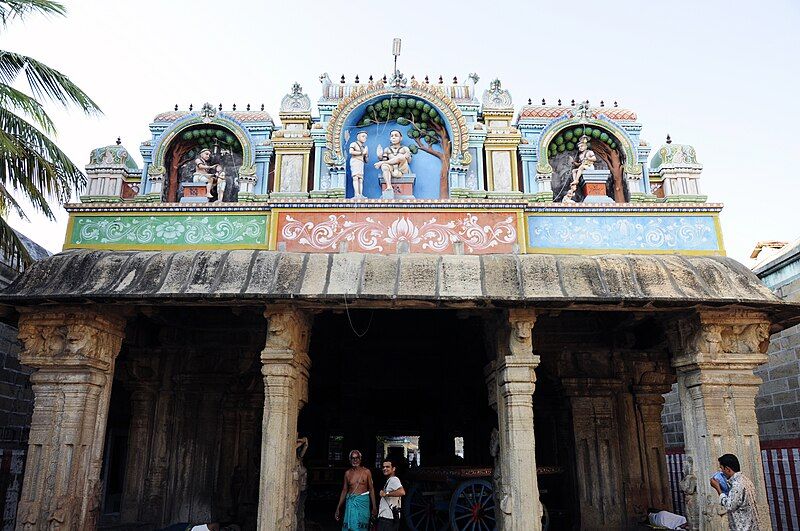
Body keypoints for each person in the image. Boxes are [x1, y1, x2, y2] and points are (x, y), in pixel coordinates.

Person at [710, 453, 761, 530]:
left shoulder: (737, 485)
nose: (721, 472)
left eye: (721, 468)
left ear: (727, 469)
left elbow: (729, 506)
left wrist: (718, 488)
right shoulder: (745, 480)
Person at [335, 449, 376, 530]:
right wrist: (338, 507)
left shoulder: (366, 472)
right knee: (350, 527)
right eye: (353, 458)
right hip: (351, 503)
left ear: (360, 459)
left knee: (362, 526)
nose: (355, 460)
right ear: (350, 460)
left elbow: (371, 489)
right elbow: (344, 490)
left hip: (363, 503)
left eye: (357, 458)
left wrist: (374, 506)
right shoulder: (347, 473)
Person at [374, 130, 412, 199]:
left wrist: (408, 156)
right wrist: (380, 157)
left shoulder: (405, 149)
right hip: (392, 168)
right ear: (390, 138)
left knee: (401, 157)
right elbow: (385, 160)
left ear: (401, 138)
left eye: (396, 135)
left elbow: (409, 161)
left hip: (401, 168)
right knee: (384, 166)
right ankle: (389, 186)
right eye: (392, 136)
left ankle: (381, 163)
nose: (393, 137)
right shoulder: (387, 149)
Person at [377, 457, 405, 531]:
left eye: (387, 467)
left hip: (388, 519)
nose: (385, 468)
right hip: (388, 518)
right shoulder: (390, 480)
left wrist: (386, 493)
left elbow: (402, 492)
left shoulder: (394, 480)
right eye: (383, 467)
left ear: (393, 469)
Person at [349, 131, 368, 199]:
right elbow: (351, 152)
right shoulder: (354, 144)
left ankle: (360, 194)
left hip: (361, 162)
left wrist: (366, 155)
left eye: (366, 137)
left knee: (360, 179)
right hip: (355, 161)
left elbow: (366, 160)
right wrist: (362, 152)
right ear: (358, 137)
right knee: (355, 177)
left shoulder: (364, 147)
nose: (364, 138)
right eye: (363, 136)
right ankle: (356, 194)